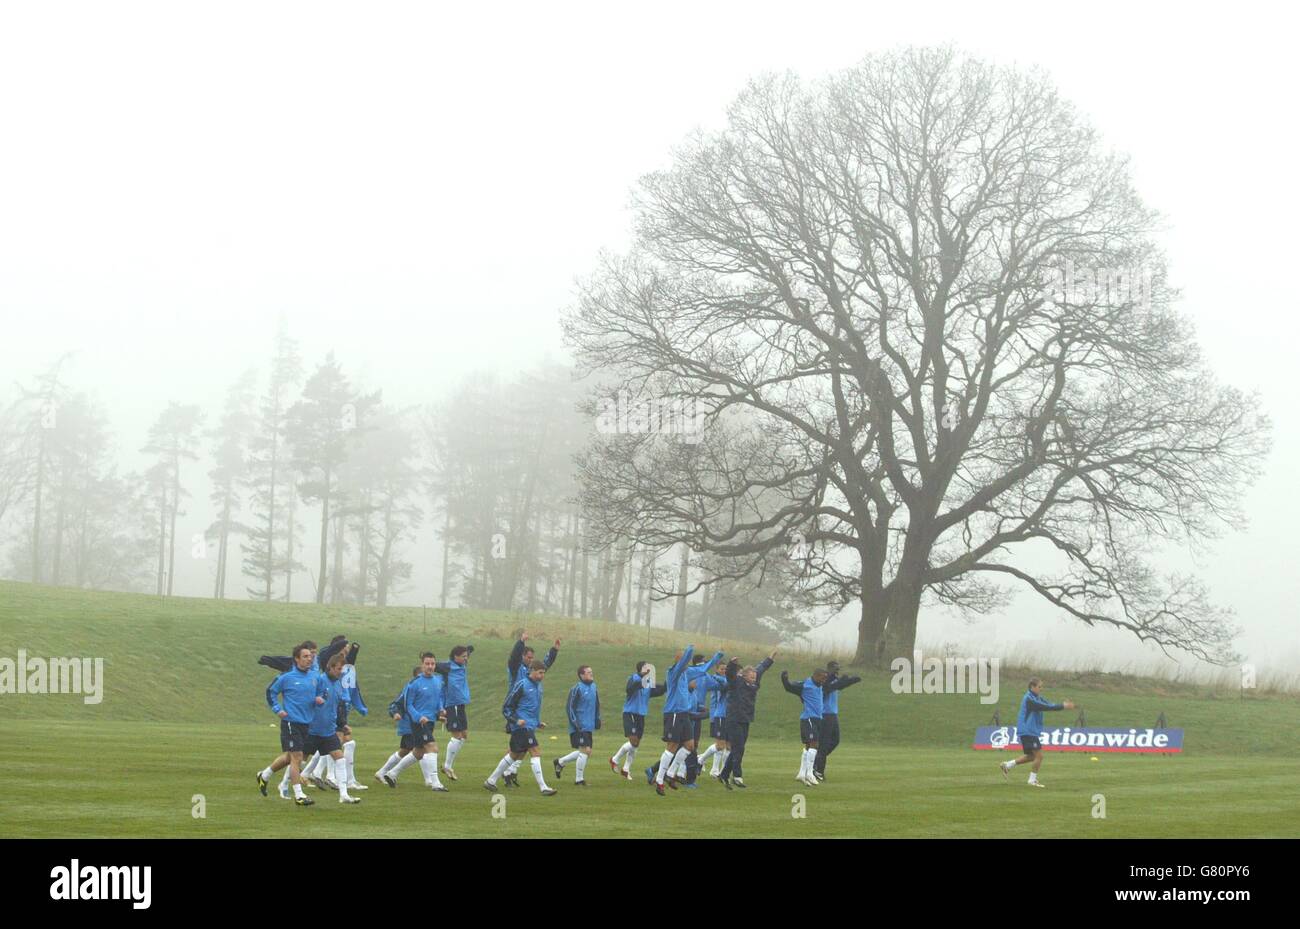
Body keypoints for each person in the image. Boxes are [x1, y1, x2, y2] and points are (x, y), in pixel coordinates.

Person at [652, 644, 723, 796]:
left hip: (684, 714)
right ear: (677, 660)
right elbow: (684, 661)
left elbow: (702, 669)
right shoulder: (673, 672)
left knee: (689, 746)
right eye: (683, 659)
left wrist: (717, 656)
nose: (686, 662)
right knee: (671, 746)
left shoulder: (687, 673)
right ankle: (659, 780)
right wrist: (690, 649)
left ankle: (671, 774)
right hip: (674, 714)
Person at [257, 643, 319, 806]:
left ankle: (264, 775)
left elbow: (322, 691)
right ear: (296, 659)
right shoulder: (286, 677)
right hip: (291, 722)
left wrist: (320, 699)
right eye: (305, 656)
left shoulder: (314, 677)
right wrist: (277, 709)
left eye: (310, 656)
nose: (309, 659)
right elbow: (271, 692)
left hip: (307, 723)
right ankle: (299, 795)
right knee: (297, 757)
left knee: (289, 757)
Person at [484, 660, 558, 795]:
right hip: (521, 727)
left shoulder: (539, 687)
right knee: (535, 751)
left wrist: (537, 722)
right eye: (540, 673)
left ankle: (491, 781)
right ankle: (543, 787)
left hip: (529, 725)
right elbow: (507, 707)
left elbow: (531, 709)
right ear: (532, 671)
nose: (542, 676)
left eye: (544, 673)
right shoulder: (522, 685)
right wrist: (516, 720)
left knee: (514, 755)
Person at [502, 632, 560, 786]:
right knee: (520, 747)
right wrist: (520, 642)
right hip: (516, 712)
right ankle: (507, 772)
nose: (530, 660)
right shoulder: (516, 669)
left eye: (532, 658)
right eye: (528, 657)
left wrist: (554, 650)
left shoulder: (534, 672)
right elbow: (513, 658)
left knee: (521, 748)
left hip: (529, 714)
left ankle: (510, 772)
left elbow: (545, 664)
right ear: (522, 657)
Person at [304, 652, 360, 803]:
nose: (341, 671)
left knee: (340, 759)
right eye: (339, 668)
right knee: (298, 760)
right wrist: (314, 699)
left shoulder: (338, 684)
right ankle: (278, 780)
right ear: (330, 667)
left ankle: (344, 795)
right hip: (313, 730)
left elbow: (338, 707)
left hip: (329, 730)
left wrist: (342, 725)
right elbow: (306, 698)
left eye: (342, 669)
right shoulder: (320, 680)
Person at [718, 648, 777, 789]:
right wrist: (732, 664)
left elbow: (761, 668)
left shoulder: (754, 682)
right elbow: (729, 675)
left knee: (739, 748)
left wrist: (770, 658)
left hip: (746, 719)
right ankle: (737, 776)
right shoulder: (736, 682)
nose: (754, 678)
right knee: (738, 748)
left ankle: (724, 775)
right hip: (734, 719)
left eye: (755, 677)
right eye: (751, 676)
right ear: (744, 676)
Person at [1001, 678, 1076, 787]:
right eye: (1039, 687)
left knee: (1032, 756)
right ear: (1032, 687)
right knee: (1039, 756)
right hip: (1028, 731)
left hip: (1029, 731)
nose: (1041, 689)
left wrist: (1062, 705)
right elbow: (1046, 707)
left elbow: (1049, 704)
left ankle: (1007, 765)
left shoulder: (1036, 697)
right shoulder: (1029, 699)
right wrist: (1063, 706)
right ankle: (1032, 780)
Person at [398, 652, 451, 792]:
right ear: (422, 665)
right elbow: (408, 705)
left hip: (431, 721)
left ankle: (391, 774)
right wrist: (418, 717)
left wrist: (440, 710)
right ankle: (435, 783)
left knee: (418, 752)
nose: (430, 666)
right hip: (419, 722)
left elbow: (439, 698)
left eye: (433, 664)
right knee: (432, 747)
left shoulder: (438, 680)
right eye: (427, 664)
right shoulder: (414, 683)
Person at [611, 661, 665, 779]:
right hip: (630, 713)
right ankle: (614, 759)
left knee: (636, 745)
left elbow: (656, 691)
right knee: (633, 741)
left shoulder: (648, 683)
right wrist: (643, 677)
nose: (649, 669)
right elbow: (630, 689)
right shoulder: (633, 678)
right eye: (646, 667)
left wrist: (667, 685)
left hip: (641, 715)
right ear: (640, 669)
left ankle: (626, 769)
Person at [781, 667, 830, 786]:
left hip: (817, 719)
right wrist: (784, 678)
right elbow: (789, 687)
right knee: (814, 744)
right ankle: (810, 773)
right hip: (808, 718)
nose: (824, 681)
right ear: (816, 676)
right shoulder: (805, 685)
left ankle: (802, 773)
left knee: (808, 746)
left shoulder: (819, 686)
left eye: (825, 679)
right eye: (822, 678)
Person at [812, 660, 860, 782]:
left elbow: (839, 685)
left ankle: (815, 761)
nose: (837, 671)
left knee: (835, 741)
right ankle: (818, 770)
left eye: (838, 669)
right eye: (835, 669)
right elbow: (830, 688)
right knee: (824, 744)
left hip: (833, 714)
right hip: (825, 715)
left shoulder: (833, 680)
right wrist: (843, 680)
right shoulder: (823, 681)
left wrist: (850, 680)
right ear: (829, 669)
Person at [375, 666, 421, 786]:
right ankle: (431, 781)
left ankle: (381, 772)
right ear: (416, 676)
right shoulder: (410, 688)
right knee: (421, 750)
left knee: (404, 751)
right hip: (409, 725)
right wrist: (395, 712)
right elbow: (396, 703)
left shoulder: (424, 687)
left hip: (415, 724)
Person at [555, 665, 601, 786]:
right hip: (579, 725)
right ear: (581, 675)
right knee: (585, 750)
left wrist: (597, 719)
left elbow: (597, 705)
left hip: (589, 725)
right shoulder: (577, 688)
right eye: (588, 672)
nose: (591, 674)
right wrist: (575, 723)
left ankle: (560, 762)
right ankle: (579, 780)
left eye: (592, 672)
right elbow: (569, 707)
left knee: (586, 751)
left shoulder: (594, 687)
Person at [436, 644, 474, 781]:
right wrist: (425, 658)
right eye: (463, 656)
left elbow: (468, 652)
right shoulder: (448, 666)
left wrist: (469, 649)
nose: (466, 658)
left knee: (464, 735)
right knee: (457, 735)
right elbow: (434, 665)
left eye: (466, 656)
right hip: (452, 705)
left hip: (461, 704)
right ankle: (447, 765)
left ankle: (448, 765)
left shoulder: (462, 665)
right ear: (455, 657)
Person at [696, 661, 730, 779]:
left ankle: (715, 770)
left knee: (724, 744)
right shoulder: (717, 681)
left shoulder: (727, 680)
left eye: (725, 669)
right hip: (717, 714)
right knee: (720, 744)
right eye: (721, 669)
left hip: (726, 716)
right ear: (716, 670)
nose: (724, 671)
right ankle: (702, 760)